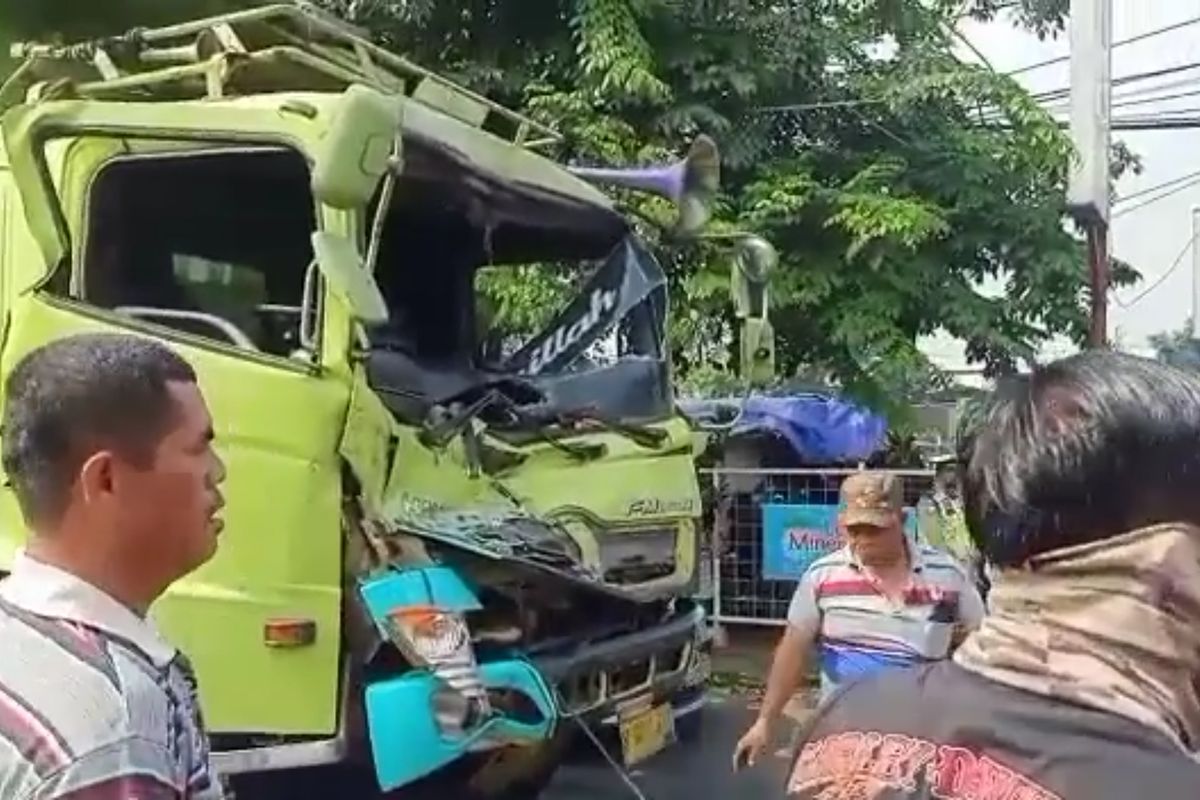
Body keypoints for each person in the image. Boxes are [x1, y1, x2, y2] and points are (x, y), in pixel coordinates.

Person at [783, 350, 1200, 799]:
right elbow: (795, 640)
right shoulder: (1166, 785)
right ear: (1170, 556)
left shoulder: (845, 722)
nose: (862, 537)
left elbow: (972, 626)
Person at [0, 334, 227, 799]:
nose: (218, 470)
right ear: (106, 480)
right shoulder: (114, 739)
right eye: (199, 447)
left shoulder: (17, 629)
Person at [733, 470, 985, 770]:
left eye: (874, 529)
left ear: (902, 521)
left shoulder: (947, 576)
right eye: (854, 530)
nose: (863, 540)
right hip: (843, 740)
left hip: (919, 744)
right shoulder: (822, 577)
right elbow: (793, 649)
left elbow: (985, 639)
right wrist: (764, 722)